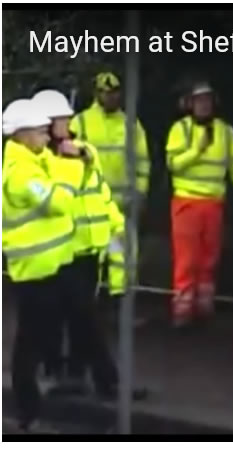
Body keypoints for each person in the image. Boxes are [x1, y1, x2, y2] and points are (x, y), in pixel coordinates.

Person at [32, 89, 125, 399]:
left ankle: (78, 377)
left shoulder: (82, 150)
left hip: (87, 248)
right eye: (61, 118)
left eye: (68, 117)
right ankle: (103, 381)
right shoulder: (41, 159)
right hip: (60, 251)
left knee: (80, 318)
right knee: (74, 318)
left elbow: (99, 188)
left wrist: (115, 227)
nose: (68, 122)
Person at [3, 99, 76, 431]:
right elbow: (59, 201)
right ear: (23, 135)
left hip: (51, 267)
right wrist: (71, 167)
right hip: (33, 270)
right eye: (42, 132)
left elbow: (54, 162)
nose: (48, 138)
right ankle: (26, 408)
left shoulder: (36, 159)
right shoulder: (20, 174)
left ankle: (40, 394)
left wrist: (64, 157)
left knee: (44, 333)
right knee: (29, 342)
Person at [165, 81, 233, 327]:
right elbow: (173, 164)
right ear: (190, 104)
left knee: (209, 257)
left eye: (207, 100)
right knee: (187, 258)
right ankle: (182, 310)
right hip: (187, 201)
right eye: (199, 100)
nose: (203, 105)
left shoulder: (226, 132)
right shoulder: (180, 129)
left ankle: (204, 306)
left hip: (214, 202)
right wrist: (197, 150)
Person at [69, 71, 149, 303]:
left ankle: (119, 300)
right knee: (89, 253)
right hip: (88, 201)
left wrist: (141, 192)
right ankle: (88, 300)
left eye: (114, 93)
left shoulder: (130, 124)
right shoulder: (81, 122)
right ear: (97, 94)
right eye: (105, 93)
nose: (111, 97)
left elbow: (143, 161)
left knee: (121, 254)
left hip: (122, 203)